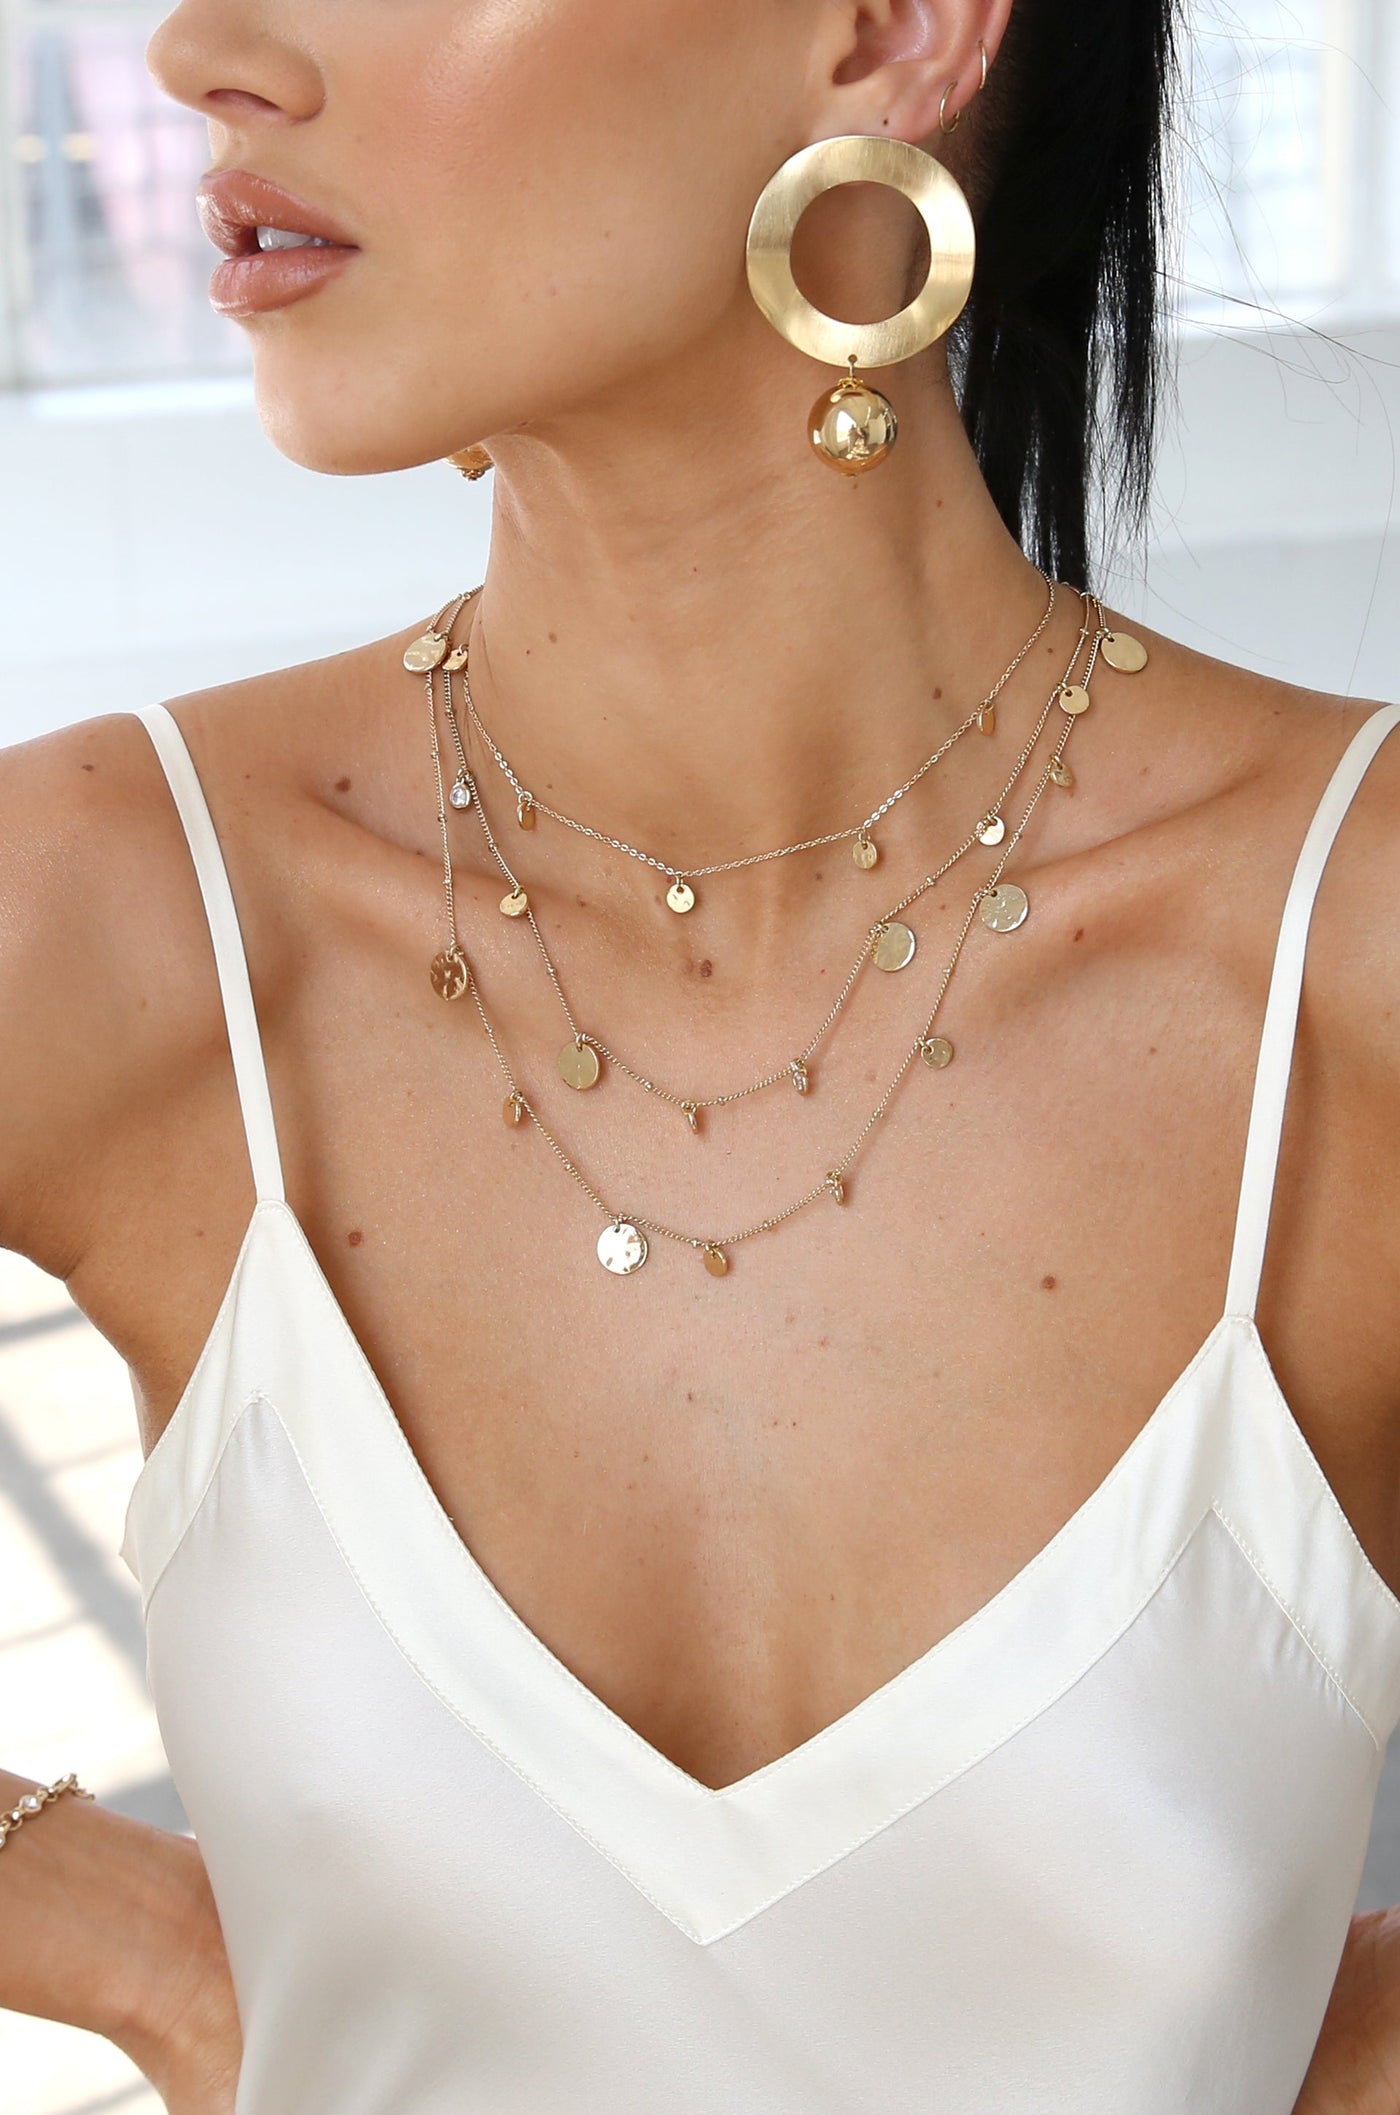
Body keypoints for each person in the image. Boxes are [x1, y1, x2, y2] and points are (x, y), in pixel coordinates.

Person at [1, 0, 1399, 2107]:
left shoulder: (1342, 946)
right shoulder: (104, 908)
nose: (204, 49)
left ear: (885, 32)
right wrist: (153, 1954)